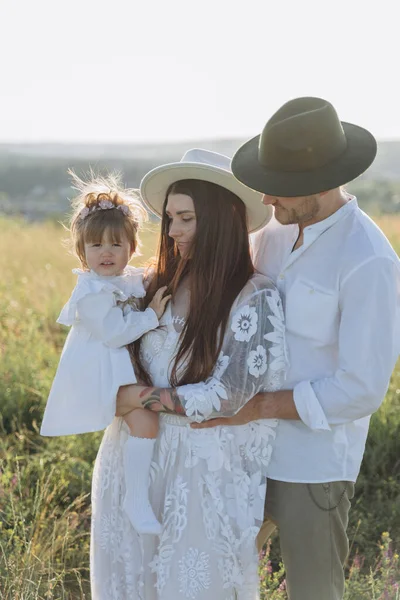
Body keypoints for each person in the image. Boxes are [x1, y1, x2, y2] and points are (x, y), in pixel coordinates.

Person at [192, 97, 400, 600]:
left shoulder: (368, 261)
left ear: (322, 182)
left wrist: (259, 407)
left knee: (312, 591)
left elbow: (361, 389)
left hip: (313, 463)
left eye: (279, 186)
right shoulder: (274, 234)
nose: (265, 198)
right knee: (215, 574)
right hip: (243, 450)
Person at [90, 149, 287, 599]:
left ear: (218, 220)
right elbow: (101, 350)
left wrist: (140, 398)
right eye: (170, 219)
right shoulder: (153, 284)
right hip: (134, 457)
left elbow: (226, 395)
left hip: (199, 470)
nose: (172, 230)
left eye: (185, 218)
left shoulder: (253, 296)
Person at [40, 171, 171, 535]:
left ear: (132, 247)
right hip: (97, 374)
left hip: (120, 370)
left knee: (146, 423)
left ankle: (136, 497)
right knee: (145, 415)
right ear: (82, 252)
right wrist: (151, 316)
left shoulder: (125, 279)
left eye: (116, 244)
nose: (107, 252)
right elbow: (114, 335)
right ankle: (137, 499)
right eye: (96, 246)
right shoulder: (93, 293)